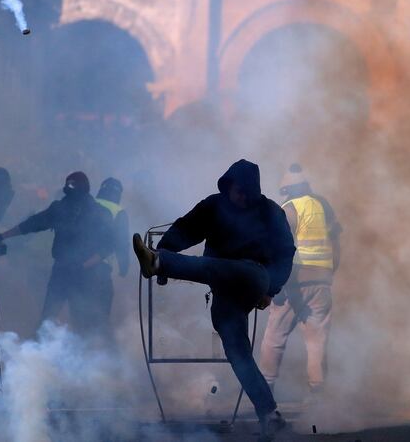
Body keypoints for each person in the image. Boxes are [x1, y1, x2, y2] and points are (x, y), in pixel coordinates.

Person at [132, 160, 295, 441]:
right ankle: (271, 416)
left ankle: (159, 263)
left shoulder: (269, 212)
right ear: (228, 186)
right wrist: (166, 248)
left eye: (248, 192)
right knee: (237, 353)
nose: (243, 197)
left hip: (253, 275)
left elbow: (285, 253)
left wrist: (273, 289)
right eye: (238, 191)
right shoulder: (213, 206)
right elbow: (186, 229)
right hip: (224, 288)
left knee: (209, 265)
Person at [0, 172, 113, 338]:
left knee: (81, 319)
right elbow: (33, 223)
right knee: (48, 316)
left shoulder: (99, 213)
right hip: (63, 270)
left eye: (71, 186)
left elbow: (107, 246)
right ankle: (36, 357)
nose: (68, 190)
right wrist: (3, 236)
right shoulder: (60, 209)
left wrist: (84, 265)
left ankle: (86, 358)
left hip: (85, 275)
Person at [259, 163, 341, 400]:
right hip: (321, 282)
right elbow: (337, 245)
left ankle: (265, 390)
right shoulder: (323, 206)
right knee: (317, 341)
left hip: (294, 281)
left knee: (275, 336)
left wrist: (275, 282)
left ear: (286, 190)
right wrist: (328, 273)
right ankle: (318, 397)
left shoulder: (289, 209)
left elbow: (279, 246)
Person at [95, 177, 130, 278]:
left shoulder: (89, 203)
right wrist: (124, 267)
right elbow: (122, 242)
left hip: (77, 262)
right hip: (101, 265)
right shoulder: (119, 212)